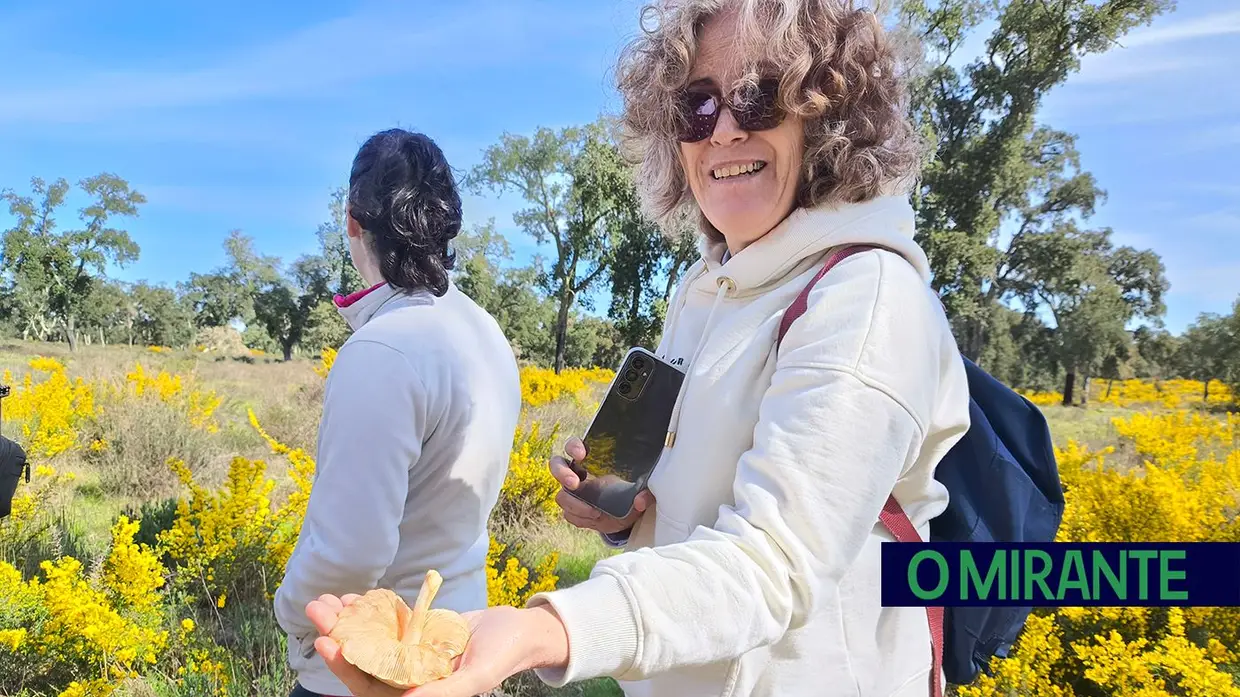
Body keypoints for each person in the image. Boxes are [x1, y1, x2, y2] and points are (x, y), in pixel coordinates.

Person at [304, 0, 973, 694]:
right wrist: (623, 514)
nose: (725, 129)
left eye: (760, 95)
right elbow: (698, 511)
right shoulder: (705, 289)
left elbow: (773, 560)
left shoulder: (866, 300)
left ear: (828, 111)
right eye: (696, 106)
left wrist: (546, 628)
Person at [274, 128, 522, 697]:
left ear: (352, 220)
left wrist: (291, 614)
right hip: (458, 650)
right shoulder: (483, 332)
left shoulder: (383, 350)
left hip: (370, 667)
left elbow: (349, 551)